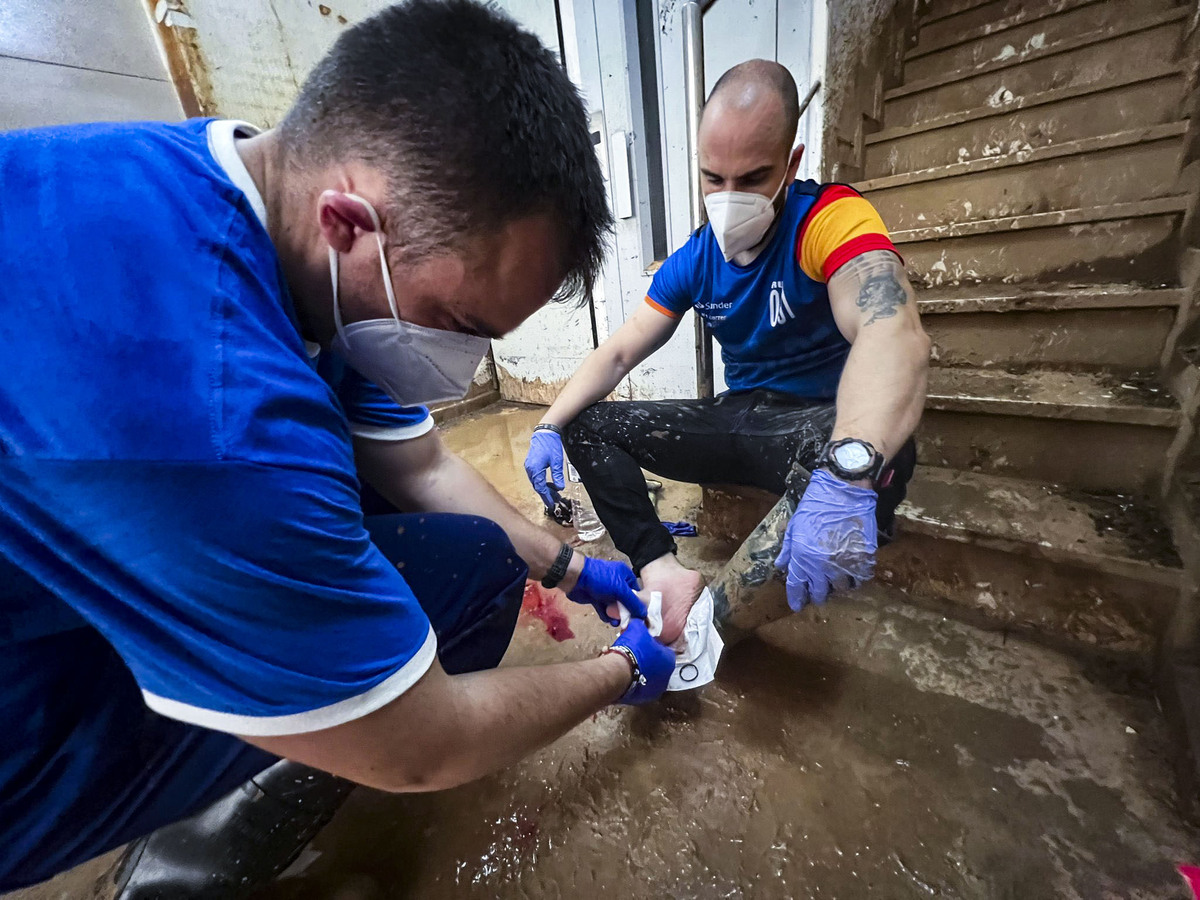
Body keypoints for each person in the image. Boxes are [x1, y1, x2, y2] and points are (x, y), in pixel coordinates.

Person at [0, 2, 678, 896]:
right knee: (373, 701)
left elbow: (420, 467)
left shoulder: (232, 197)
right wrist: (623, 667)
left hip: (57, 556)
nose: (461, 364)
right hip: (22, 728)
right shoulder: (222, 413)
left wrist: (572, 569)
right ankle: (190, 853)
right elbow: (422, 747)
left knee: (471, 564)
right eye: (458, 325)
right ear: (348, 222)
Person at [525, 60, 930, 644]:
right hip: (737, 417)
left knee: (885, 458)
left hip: (813, 422)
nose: (728, 197)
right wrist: (547, 426)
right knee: (586, 425)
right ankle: (661, 571)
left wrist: (851, 469)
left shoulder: (828, 219)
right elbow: (619, 351)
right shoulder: (697, 257)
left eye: (752, 176)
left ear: (790, 164)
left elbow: (891, 328)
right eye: (713, 178)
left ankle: (710, 635)